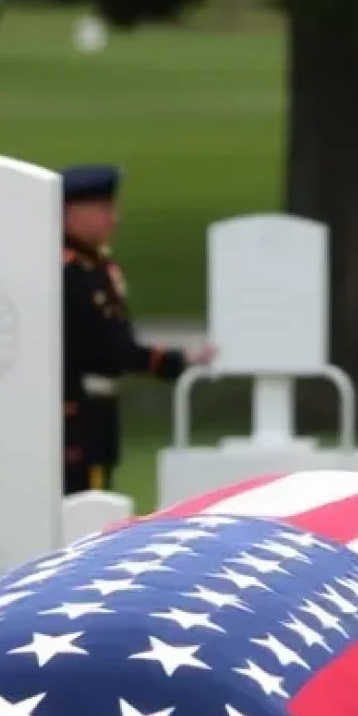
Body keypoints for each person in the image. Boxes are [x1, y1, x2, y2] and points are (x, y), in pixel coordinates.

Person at [59, 164, 214, 495]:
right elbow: (107, 349)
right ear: (68, 212)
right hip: (75, 415)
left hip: (97, 415)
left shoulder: (96, 265)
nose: (114, 219)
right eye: (102, 209)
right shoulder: (66, 272)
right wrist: (174, 361)